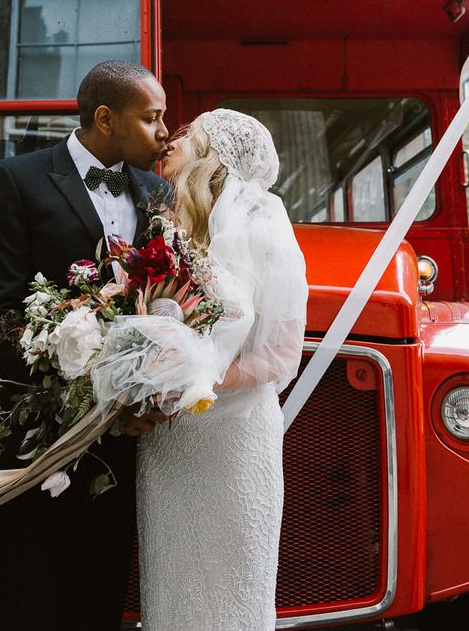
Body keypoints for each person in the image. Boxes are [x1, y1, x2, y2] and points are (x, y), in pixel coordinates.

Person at [0, 60, 170, 629]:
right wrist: (75, 388)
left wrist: (139, 392)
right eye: (151, 118)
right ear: (105, 118)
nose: (163, 132)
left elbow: (166, 301)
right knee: (20, 585)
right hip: (30, 432)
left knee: (98, 586)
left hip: (120, 436)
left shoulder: (158, 192)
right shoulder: (17, 179)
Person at [135, 109, 308, 630]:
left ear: (213, 155)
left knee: (234, 589)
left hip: (233, 441)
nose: (171, 139)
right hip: (169, 442)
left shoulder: (262, 228)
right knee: (170, 587)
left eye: (187, 135)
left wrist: (199, 379)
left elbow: (281, 355)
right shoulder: (169, 227)